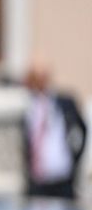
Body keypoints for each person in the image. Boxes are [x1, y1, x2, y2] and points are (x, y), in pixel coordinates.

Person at [23, 62, 87, 200]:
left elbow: (82, 129)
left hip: (63, 179)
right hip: (37, 182)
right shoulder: (27, 105)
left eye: (42, 77)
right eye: (36, 77)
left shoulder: (64, 102)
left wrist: (76, 158)